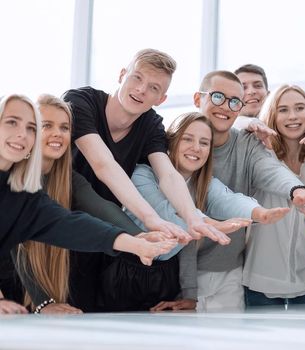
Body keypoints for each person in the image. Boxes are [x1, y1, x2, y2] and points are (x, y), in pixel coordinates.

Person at [64, 49, 228, 312]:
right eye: (136, 78)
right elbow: (103, 164)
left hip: (104, 237)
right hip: (61, 223)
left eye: (153, 88)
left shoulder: (151, 124)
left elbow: (168, 175)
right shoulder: (81, 101)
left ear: (161, 98)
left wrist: (193, 217)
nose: (141, 90)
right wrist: (151, 219)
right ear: (122, 75)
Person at [160, 70, 305, 311]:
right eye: (218, 97)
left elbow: (269, 170)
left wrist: (298, 191)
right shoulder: (174, 144)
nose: (226, 107)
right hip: (171, 268)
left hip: (230, 270)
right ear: (198, 99)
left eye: (234, 102)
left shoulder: (247, 144)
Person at [0, 94, 176, 314]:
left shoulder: (48, 189)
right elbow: (21, 250)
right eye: (45, 125)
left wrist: (137, 239)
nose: (22, 134)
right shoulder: (15, 188)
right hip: (15, 284)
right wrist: (41, 302)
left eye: (65, 127)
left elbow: (81, 220)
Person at [128, 111, 286, 312]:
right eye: (187, 139)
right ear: (171, 141)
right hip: (125, 269)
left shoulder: (203, 185)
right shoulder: (142, 174)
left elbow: (227, 199)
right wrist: (209, 223)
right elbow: (166, 212)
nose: (196, 148)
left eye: (204, 143)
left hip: (163, 277)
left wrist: (258, 213)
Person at [243, 85, 305, 306]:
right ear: (272, 115)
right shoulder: (259, 154)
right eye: (283, 110)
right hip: (261, 277)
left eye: (299, 108)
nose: (293, 116)